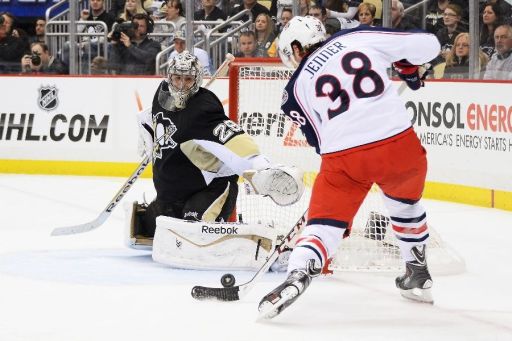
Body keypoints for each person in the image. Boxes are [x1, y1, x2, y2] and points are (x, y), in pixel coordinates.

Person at [258, 16, 440, 319]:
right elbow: (429, 45)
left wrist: (337, 206)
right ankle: (417, 272)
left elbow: (320, 143)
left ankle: (298, 273)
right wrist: (407, 66)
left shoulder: (293, 92)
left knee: (322, 227)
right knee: (405, 204)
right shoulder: (356, 37)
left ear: (295, 47)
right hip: (401, 146)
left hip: (345, 158)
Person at [134, 50, 304, 255]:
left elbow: (235, 140)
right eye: (177, 78)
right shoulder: (161, 94)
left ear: (196, 81)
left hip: (209, 189)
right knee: (148, 227)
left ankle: (246, 238)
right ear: (169, 77)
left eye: (187, 79)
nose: (180, 85)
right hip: (170, 195)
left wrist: (262, 167)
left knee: (193, 233)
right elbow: (150, 115)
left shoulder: (203, 110)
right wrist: (145, 130)